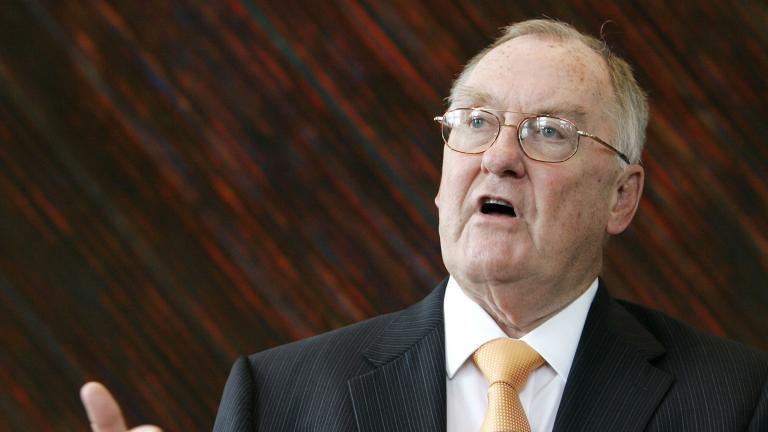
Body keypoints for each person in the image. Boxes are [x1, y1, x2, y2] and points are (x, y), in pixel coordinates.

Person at [81, 18, 768, 432]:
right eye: (475, 123)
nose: (500, 157)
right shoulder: (281, 399)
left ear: (623, 195)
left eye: (549, 132)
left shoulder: (736, 402)